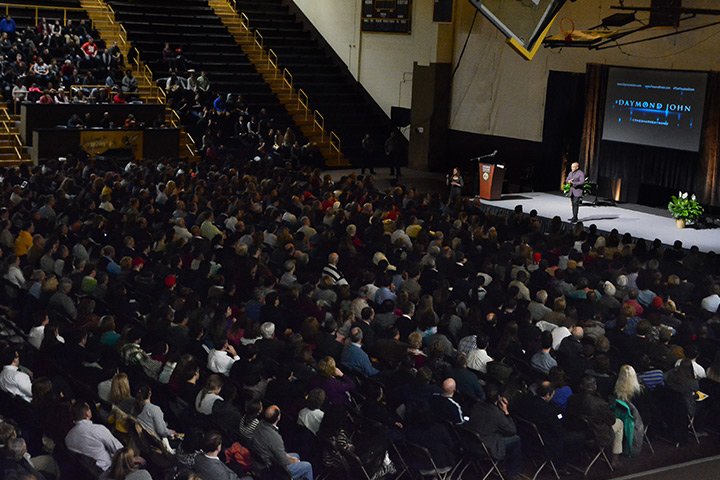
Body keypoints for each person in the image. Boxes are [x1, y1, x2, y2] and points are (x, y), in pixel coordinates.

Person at [252, 405, 314, 479]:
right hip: (273, 469)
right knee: (308, 466)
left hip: (265, 459)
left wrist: (291, 458)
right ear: (278, 417)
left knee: (296, 455)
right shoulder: (275, 438)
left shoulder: (260, 424)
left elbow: (277, 452)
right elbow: (283, 461)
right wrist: (293, 461)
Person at [65, 401, 124, 471]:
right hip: (109, 471)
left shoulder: (68, 438)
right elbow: (119, 450)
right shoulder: (98, 429)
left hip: (88, 474)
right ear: (87, 413)